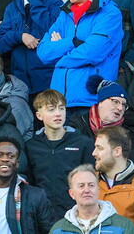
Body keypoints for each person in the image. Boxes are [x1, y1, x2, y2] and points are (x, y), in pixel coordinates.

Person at [37, 0, 123, 108]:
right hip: (59, 102)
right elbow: (43, 52)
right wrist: (72, 42)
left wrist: (59, 58)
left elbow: (92, 53)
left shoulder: (110, 13)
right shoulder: (66, 13)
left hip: (90, 102)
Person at [0, 0, 63, 94]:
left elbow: (52, 28)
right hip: (20, 81)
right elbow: (0, 44)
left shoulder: (54, 2)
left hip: (48, 78)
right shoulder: (12, 7)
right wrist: (20, 36)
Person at [25, 90, 95, 222]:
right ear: (39, 115)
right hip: (41, 217)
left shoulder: (83, 143)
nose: (58, 113)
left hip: (76, 216)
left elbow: (92, 180)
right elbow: (30, 183)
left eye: (61, 108)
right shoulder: (31, 146)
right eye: (51, 109)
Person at [49, 165, 134, 234]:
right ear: (72, 194)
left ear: (98, 190)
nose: (87, 190)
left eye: (91, 185)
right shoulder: (58, 229)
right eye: (81, 186)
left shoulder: (124, 226)